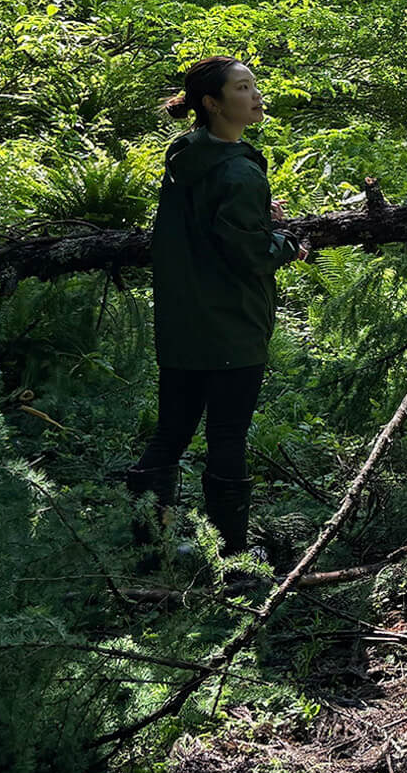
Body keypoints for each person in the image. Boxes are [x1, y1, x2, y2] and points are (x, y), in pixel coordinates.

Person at [125, 56, 307, 566]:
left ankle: (149, 547)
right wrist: (286, 244)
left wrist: (259, 219)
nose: (256, 96)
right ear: (212, 102)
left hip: (182, 322)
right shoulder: (239, 170)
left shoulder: (186, 156)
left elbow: (203, 228)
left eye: (254, 85)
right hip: (232, 325)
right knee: (226, 435)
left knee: (171, 432)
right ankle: (232, 556)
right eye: (243, 88)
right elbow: (248, 254)